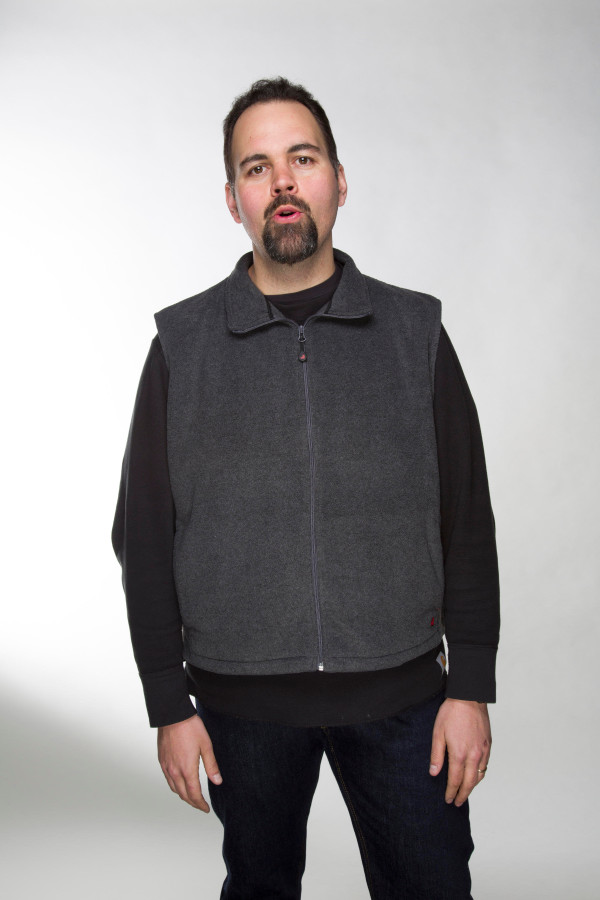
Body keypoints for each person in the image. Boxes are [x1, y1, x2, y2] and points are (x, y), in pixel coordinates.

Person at [112, 76, 500, 899]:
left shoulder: (416, 333)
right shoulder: (182, 346)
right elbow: (142, 538)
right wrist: (168, 703)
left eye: (303, 158)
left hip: (405, 702)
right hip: (239, 710)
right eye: (257, 167)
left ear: (339, 181)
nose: (282, 181)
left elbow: (467, 518)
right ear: (234, 199)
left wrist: (470, 685)